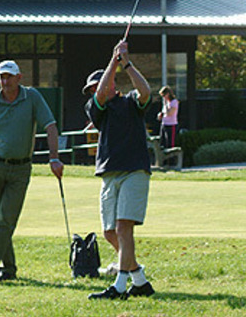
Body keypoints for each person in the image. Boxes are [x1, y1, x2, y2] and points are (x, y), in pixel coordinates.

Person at [0, 60, 65, 285]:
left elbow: (51, 126)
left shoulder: (32, 97)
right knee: (0, 221)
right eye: (1, 77)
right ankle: (9, 268)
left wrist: (54, 157)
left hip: (21, 169)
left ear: (19, 77)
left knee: (4, 220)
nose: (5, 81)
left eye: (9, 76)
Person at [84, 40, 155, 300]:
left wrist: (126, 63)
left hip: (134, 171)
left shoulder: (131, 102)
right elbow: (101, 94)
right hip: (109, 173)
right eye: (91, 87)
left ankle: (119, 287)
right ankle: (139, 280)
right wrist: (113, 62)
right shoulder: (96, 108)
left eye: (97, 84)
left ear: (115, 81)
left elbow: (146, 91)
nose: (95, 89)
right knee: (110, 232)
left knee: (124, 228)